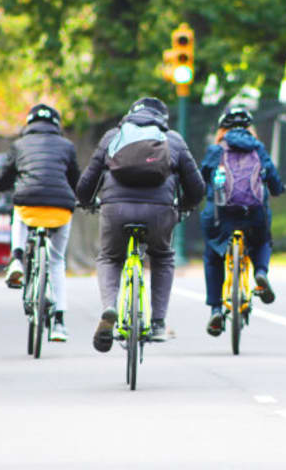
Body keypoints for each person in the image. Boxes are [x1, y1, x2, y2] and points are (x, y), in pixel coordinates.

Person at [76, 97, 204, 351]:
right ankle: (158, 323)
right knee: (162, 257)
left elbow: (86, 183)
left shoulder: (113, 137)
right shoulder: (174, 140)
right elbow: (197, 188)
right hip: (159, 212)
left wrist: (87, 201)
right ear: (162, 120)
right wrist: (185, 206)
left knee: (110, 257)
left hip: (116, 210)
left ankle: (109, 307)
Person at [0, 103, 80, 342]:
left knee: (19, 211)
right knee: (56, 261)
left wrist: (2, 186)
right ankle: (59, 323)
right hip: (61, 209)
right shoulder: (67, 146)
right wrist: (85, 199)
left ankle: (16, 258)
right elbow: (76, 180)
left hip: (29, 205)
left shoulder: (19, 145)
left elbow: (3, 181)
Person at [198, 106, 286, 337]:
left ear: (222, 128)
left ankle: (216, 308)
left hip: (220, 215)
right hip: (253, 213)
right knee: (262, 240)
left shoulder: (216, 149)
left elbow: (201, 178)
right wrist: (278, 189)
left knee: (213, 256)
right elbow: (272, 178)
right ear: (250, 128)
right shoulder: (258, 148)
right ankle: (261, 273)